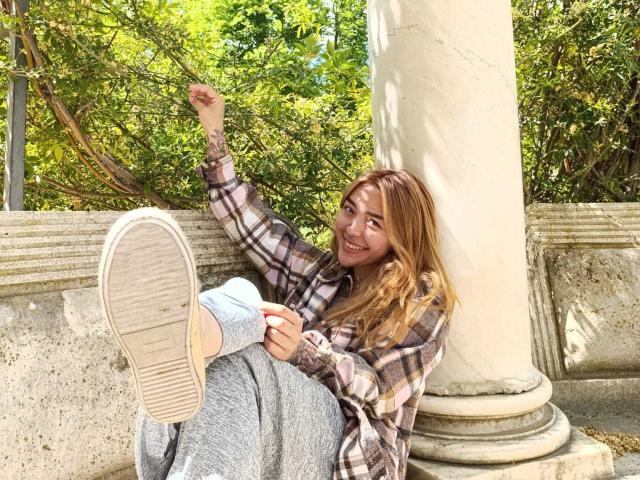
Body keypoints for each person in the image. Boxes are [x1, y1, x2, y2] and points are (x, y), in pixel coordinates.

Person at [97, 84, 456, 480]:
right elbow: (253, 227)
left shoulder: (422, 298)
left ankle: (194, 337)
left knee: (243, 357)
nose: (352, 229)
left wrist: (303, 350)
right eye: (349, 210)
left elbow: (381, 389)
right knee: (241, 302)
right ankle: (196, 335)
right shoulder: (322, 271)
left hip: (346, 456)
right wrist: (214, 129)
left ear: (403, 234)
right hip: (279, 430)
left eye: (374, 223)